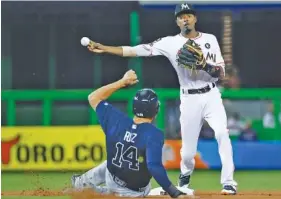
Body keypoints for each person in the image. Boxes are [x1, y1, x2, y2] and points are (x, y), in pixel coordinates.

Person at [85, 3, 237, 195]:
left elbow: (221, 73)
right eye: (181, 16)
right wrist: (105, 48)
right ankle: (184, 179)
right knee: (188, 152)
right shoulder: (170, 43)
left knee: (222, 134)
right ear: (177, 21)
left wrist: (204, 65)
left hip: (211, 94)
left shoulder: (210, 39)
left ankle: (229, 182)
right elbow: (135, 50)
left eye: (188, 15)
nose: (185, 18)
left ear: (195, 19)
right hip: (189, 97)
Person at [71, 69, 189, 198]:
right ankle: (100, 193)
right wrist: (174, 193)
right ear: (155, 111)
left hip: (111, 174)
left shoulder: (116, 119)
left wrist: (122, 82)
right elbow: (154, 166)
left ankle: (82, 183)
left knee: (111, 164)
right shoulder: (154, 134)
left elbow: (93, 97)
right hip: (131, 192)